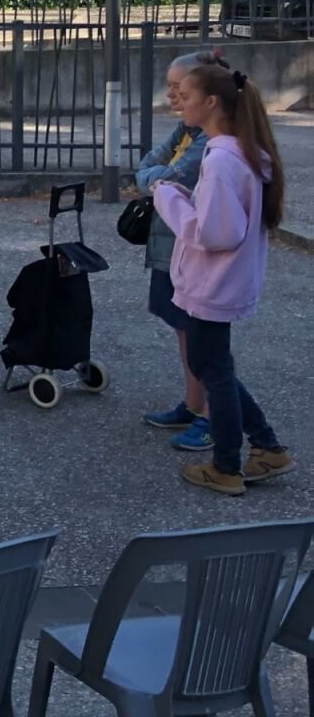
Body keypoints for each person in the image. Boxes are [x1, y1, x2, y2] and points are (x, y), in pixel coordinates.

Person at [155, 65, 293, 496]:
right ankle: (267, 447)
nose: (179, 101)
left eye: (187, 95)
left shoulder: (221, 160)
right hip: (225, 282)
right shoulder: (245, 153)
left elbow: (215, 233)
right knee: (216, 367)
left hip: (211, 284)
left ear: (211, 103)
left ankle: (227, 466)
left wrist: (168, 198)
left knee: (213, 370)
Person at [137, 51, 231, 452]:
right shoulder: (187, 131)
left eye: (180, 89)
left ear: (206, 94)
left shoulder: (216, 143)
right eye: (172, 87)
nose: (173, 95)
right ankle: (194, 405)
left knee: (204, 337)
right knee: (181, 326)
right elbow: (149, 166)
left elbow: (170, 175)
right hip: (168, 242)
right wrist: (153, 179)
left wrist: (152, 180)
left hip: (190, 247)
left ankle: (214, 417)